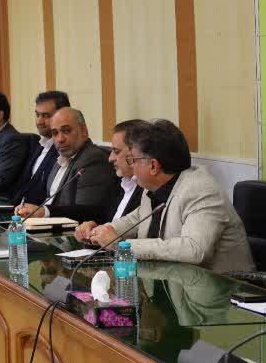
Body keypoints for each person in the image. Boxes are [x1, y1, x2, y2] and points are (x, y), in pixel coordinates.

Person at [85, 120, 253, 273]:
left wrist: (122, 246)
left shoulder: (200, 190)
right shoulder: (151, 189)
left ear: (153, 166)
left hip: (223, 290)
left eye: (133, 160)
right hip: (176, 283)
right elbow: (133, 220)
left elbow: (195, 249)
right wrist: (98, 232)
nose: (132, 167)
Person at [15, 108, 118, 223]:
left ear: (84, 131)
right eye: (55, 133)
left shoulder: (93, 159)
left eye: (66, 131)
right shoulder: (61, 158)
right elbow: (50, 200)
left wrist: (45, 212)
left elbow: (88, 212)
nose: (60, 139)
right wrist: (30, 210)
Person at [75, 119, 147, 241]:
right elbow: (108, 224)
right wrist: (93, 227)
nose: (110, 158)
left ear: (135, 153)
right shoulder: (116, 182)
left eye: (116, 151)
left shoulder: (148, 190)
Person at [15, 91, 70, 202]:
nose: (39, 121)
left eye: (46, 116)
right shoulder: (38, 144)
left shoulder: (64, 150)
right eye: (37, 115)